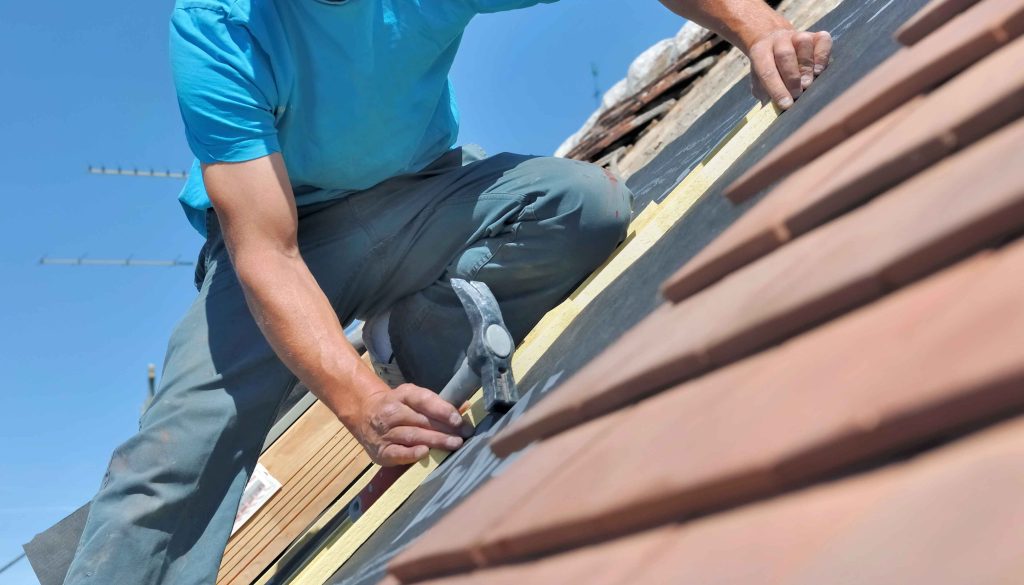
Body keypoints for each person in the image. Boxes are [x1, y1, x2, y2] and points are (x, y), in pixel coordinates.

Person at [64, 0, 833, 582]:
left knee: (584, 205)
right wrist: (358, 401)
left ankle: (422, 337)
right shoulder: (219, 23)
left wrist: (756, 25)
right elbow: (267, 252)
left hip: (427, 196)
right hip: (289, 245)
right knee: (168, 463)